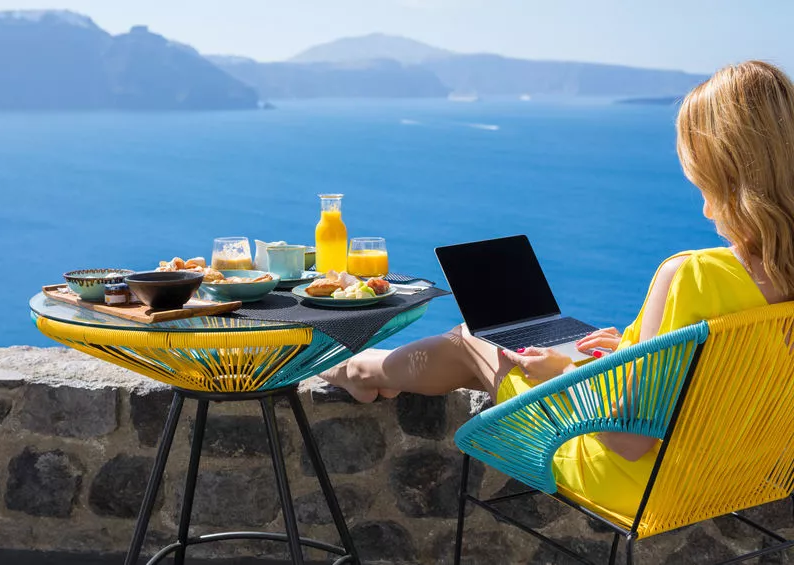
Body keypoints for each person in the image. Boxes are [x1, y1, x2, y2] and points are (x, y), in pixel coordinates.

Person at [321, 60, 794, 518]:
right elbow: (735, 374)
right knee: (499, 344)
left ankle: (362, 370)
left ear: (722, 172)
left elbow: (629, 441)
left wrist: (561, 374)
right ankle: (369, 371)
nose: (705, 205)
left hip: (638, 483)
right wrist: (634, 352)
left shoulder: (693, 275)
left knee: (473, 337)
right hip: (741, 476)